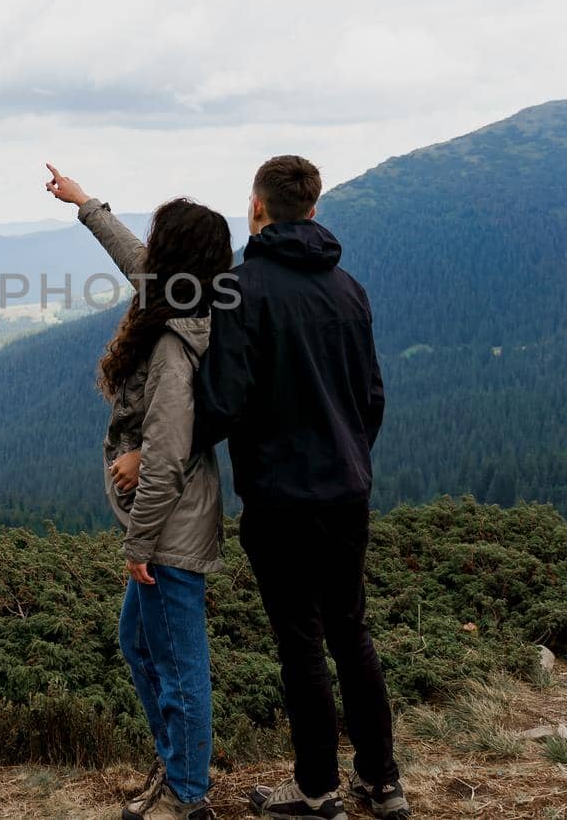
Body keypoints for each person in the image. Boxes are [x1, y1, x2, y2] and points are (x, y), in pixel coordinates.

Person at [194, 155, 408, 820]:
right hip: (348, 491)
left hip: (282, 498)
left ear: (256, 207)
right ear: (313, 211)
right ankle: (382, 781)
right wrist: (348, 460)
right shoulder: (349, 289)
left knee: (302, 642)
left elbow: (222, 403)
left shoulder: (240, 290)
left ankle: (318, 787)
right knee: (352, 631)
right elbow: (371, 398)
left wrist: (173, 443)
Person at [46, 164, 230, 820]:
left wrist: (139, 544)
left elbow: (170, 454)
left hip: (169, 531)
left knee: (180, 666)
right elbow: (133, 257)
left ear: (175, 256)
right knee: (138, 642)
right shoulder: (174, 295)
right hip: (168, 527)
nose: (148, 250)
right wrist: (85, 203)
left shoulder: (174, 343)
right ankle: (177, 760)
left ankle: (187, 791)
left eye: (160, 240)